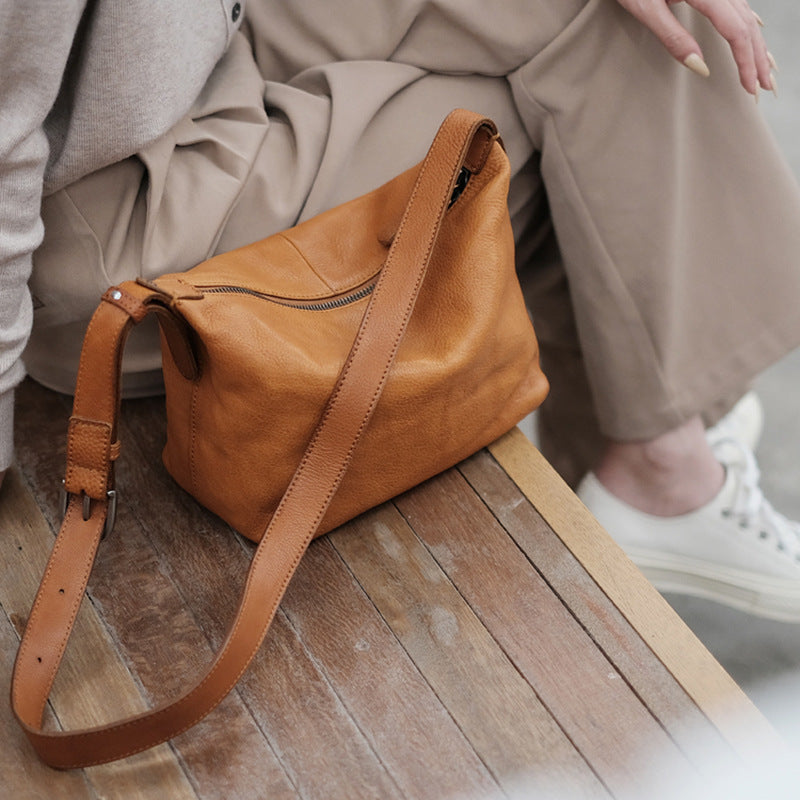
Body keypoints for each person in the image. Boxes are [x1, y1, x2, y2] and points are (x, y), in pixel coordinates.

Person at [2, 1, 799, 620]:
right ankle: (665, 454)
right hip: (119, 213)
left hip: (206, 50)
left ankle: (667, 431)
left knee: (614, 15)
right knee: (555, 92)